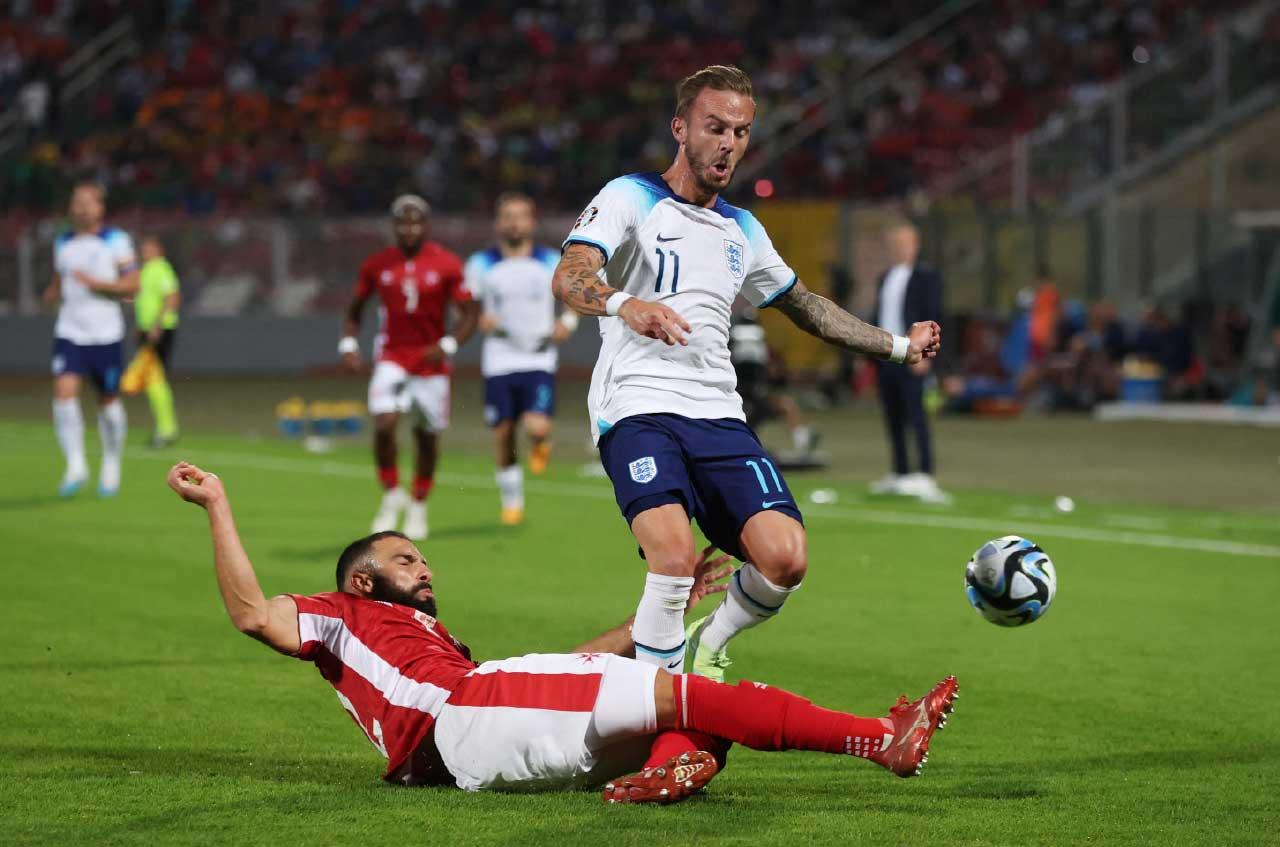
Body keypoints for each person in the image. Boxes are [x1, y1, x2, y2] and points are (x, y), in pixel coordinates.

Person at [166, 460, 959, 804]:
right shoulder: (343, 615)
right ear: (363, 580)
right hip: (465, 715)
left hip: (476, 725)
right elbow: (252, 613)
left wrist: (651, 619)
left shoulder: (427, 642)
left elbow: (566, 669)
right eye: (406, 558)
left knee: (692, 713)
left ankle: (666, 769)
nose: (424, 567)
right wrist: (218, 504)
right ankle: (878, 737)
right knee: (695, 695)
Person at [552, 65, 941, 682]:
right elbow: (571, 275)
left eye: (740, 131)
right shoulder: (630, 195)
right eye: (715, 128)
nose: (728, 143)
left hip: (718, 415)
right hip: (637, 407)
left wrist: (898, 347)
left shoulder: (743, 229)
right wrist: (627, 304)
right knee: (673, 562)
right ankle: (660, 710)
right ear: (681, 129)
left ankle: (712, 639)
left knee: (785, 559)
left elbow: (807, 308)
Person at [340, 195, 479, 540]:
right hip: (392, 357)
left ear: (426, 225)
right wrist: (349, 342)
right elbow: (356, 307)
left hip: (431, 363)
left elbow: (470, 314)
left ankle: (418, 503)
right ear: (394, 226)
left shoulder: (446, 263)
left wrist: (448, 345)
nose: (409, 229)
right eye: (403, 223)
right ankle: (391, 493)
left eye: (416, 222)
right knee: (384, 423)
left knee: (426, 436)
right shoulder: (378, 264)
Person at [465, 192, 578, 525]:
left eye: (520, 216)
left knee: (536, 426)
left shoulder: (550, 261)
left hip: (538, 358)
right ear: (498, 223)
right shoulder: (480, 264)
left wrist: (567, 323)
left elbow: (573, 296)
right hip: (499, 359)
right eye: (508, 216)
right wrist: (478, 319)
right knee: (503, 431)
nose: (514, 223)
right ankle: (511, 501)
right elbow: (466, 306)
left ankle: (541, 442)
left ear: (532, 222)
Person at [43, 181, 138, 498]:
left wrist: (98, 285)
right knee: (63, 392)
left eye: (88, 202)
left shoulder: (116, 240)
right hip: (70, 331)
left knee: (108, 400)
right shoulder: (63, 241)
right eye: (77, 202)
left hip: (105, 333)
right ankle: (76, 465)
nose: (82, 208)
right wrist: (52, 293)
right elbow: (60, 280)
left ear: (101, 207)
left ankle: (112, 462)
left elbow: (133, 285)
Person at [868, 221, 948, 504]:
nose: (900, 248)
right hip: (888, 354)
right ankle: (900, 472)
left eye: (905, 243)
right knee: (893, 415)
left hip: (913, 356)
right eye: (896, 243)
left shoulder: (926, 277)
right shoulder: (885, 277)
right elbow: (879, 315)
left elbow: (933, 314)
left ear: (915, 245)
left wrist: (926, 354)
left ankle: (925, 474)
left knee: (917, 415)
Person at [729, 307, 820, 458]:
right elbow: (776, 372)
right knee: (784, 406)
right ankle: (803, 443)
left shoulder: (733, 343)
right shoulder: (760, 345)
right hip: (745, 398)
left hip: (744, 398)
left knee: (782, 407)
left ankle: (803, 444)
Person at [132, 235, 181, 446]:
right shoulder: (146, 270)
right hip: (148, 330)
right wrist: (140, 327)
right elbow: (145, 302)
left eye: (149, 248)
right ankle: (165, 427)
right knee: (153, 379)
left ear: (159, 249)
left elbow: (172, 297)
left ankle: (167, 429)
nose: (145, 251)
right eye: (143, 248)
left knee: (155, 379)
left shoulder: (161, 268)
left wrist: (157, 326)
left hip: (160, 330)